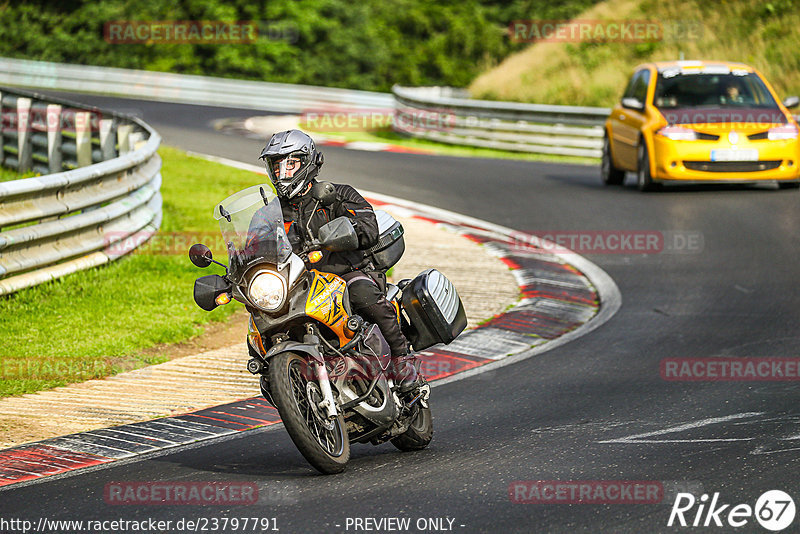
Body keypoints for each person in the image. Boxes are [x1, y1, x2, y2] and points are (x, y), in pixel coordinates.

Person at [259, 129, 421, 392]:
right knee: (262, 325)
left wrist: (345, 234)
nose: (283, 173)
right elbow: (254, 248)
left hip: (345, 273)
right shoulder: (269, 214)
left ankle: (403, 359)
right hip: (298, 287)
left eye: (291, 164)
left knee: (362, 294)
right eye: (277, 166)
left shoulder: (337, 194)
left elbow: (368, 226)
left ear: (308, 162)